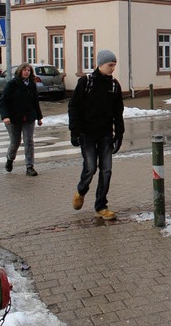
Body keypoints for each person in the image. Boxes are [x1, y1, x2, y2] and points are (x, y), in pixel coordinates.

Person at [69, 50, 124, 220]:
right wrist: (74, 131)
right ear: (100, 64)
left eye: (114, 65)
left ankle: (101, 206)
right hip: (87, 134)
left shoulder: (114, 85)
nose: (112, 68)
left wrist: (119, 134)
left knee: (106, 170)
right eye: (110, 65)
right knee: (91, 167)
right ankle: (81, 190)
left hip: (106, 134)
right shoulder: (86, 82)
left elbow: (118, 112)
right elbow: (74, 107)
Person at [0, 63, 43, 176]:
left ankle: (30, 167)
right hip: (13, 118)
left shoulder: (32, 85)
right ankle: (10, 159)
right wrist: (5, 116)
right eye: (24, 70)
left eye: (28, 70)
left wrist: (39, 117)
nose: (27, 72)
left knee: (29, 141)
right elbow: (3, 101)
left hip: (28, 117)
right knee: (15, 142)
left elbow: (35, 102)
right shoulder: (12, 84)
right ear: (20, 71)